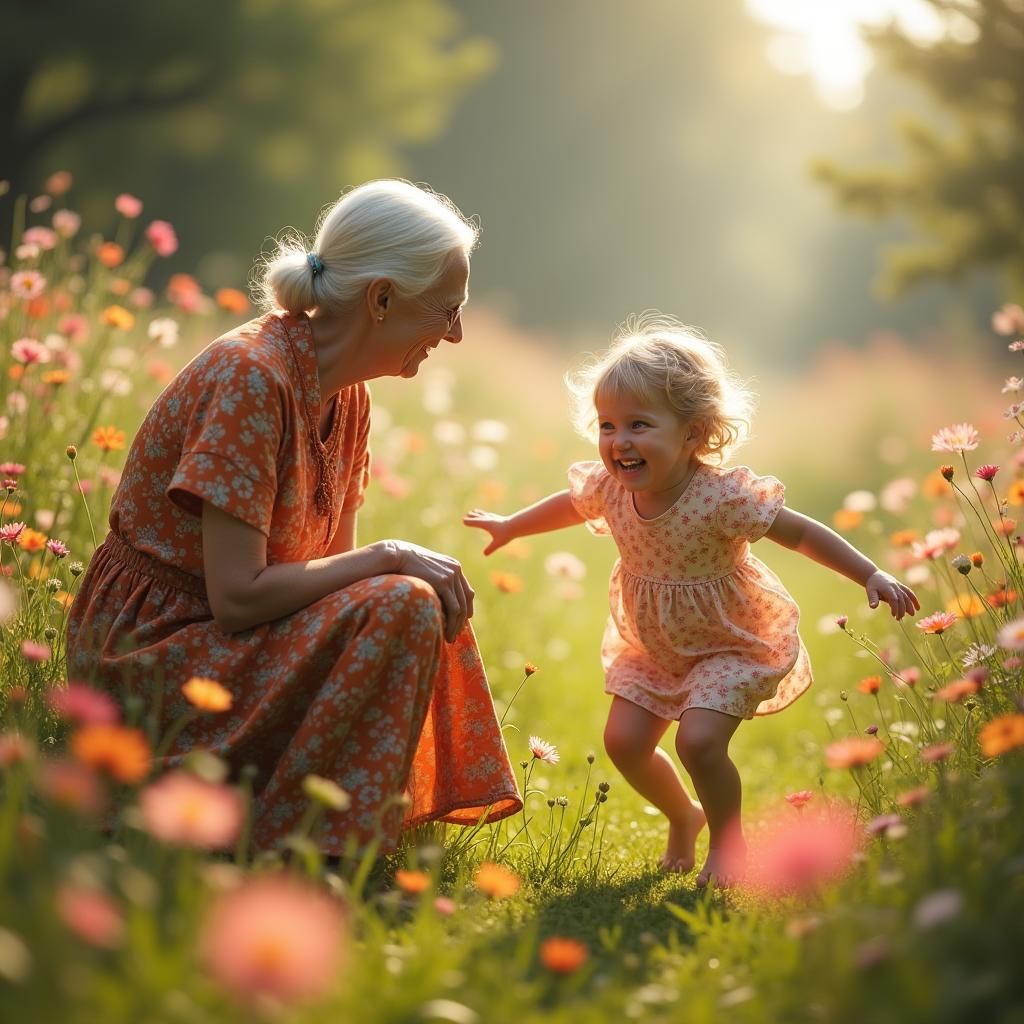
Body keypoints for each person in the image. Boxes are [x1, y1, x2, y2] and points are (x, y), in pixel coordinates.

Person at [67, 179, 522, 855]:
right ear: (383, 298)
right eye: (446, 310)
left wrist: (391, 570)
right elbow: (237, 598)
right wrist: (389, 555)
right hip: (153, 649)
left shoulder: (350, 395)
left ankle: (322, 830)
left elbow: (335, 587)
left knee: (408, 599)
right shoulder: (251, 377)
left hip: (229, 636)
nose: (454, 334)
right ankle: (304, 839)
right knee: (400, 595)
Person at [464, 314, 919, 886]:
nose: (619, 441)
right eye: (607, 425)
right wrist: (511, 525)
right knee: (623, 743)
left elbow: (800, 532)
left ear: (693, 434)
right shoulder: (611, 487)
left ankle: (730, 846)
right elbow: (570, 503)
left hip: (732, 640)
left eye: (638, 424)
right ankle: (686, 815)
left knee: (699, 742)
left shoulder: (721, 496)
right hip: (652, 644)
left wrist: (869, 572)